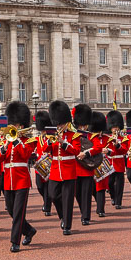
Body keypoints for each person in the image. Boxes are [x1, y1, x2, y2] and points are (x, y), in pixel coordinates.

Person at [0, 101, 38, 253]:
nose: (14, 127)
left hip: (21, 180)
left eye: (17, 125)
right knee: (11, 211)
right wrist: (5, 147)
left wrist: (17, 140)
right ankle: (29, 230)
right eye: (13, 124)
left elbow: (26, 155)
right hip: (8, 180)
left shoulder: (29, 141)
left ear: (22, 126)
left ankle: (15, 241)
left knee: (19, 212)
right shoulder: (6, 141)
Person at [48, 100, 80, 235]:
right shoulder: (52, 135)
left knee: (67, 199)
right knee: (53, 195)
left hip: (68, 170)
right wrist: (50, 142)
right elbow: (45, 149)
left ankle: (67, 225)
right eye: (58, 123)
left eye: (61, 123)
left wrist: (64, 143)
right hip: (55, 170)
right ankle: (62, 216)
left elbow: (76, 151)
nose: (59, 125)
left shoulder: (74, 136)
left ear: (67, 122)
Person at [71, 104, 101, 225]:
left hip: (87, 169)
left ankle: (86, 216)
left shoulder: (91, 136)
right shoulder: (73, 136)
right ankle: (84, 211)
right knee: (78, 194)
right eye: (81, 124)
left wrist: (86, 153)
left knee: (86, 194)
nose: (82, 126)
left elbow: (98, 147)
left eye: (83, 124)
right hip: (75, 169)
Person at [105, 110, 127, 210]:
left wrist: (118, 146)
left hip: (119, 163)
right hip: (110, 163)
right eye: (114, 127)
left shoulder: (123, 138)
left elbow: (125, 150)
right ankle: (113, 196)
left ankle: (118, 202)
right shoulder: (107, 138)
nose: (115, 129)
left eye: (117, 127)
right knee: (109, 183)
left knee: (119, 184)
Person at [90, 111, 110, 218]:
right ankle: (100, 202)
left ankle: (101, 209)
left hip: (102, 165)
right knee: (93, 188)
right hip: (91, 165)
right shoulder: (89, 138)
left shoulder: (107, 138)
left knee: (101, 187)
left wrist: (109, 151)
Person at [33, 110, 53, 217]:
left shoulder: (51, 138)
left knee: (48, 187)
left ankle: (47, 206)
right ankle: (46, 201)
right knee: (40, 186)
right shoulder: (37, 138)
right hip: (39, 166)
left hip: (49, 165)